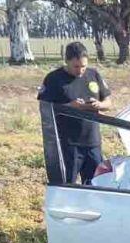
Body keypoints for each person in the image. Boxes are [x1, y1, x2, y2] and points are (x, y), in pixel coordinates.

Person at [37, 42, 112, 184]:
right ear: (66, 61)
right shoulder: (53, 79)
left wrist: (99, 105)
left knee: (96, 184)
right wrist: (71, 106)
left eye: (83, 66)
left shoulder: (93, 75)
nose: (80, 70)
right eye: (76, 67)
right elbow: (46, 109)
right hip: (68, 144)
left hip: (92, 142)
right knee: (67, 184)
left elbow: (108, 102)